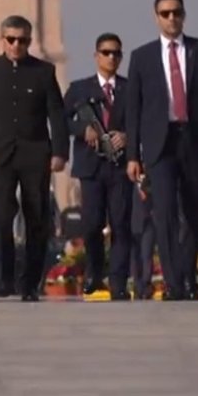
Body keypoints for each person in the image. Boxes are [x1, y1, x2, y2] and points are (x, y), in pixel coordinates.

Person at [124, 0, 198, 301]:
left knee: (193, 211)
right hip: (160, 143)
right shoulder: (142, 57)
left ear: (184, 15)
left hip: (195, 140)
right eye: (165, 13)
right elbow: (133, 109)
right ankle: (173, 283)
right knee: (165, 214)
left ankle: (188, 276)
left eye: (176, 13)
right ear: (156, 16)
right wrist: (133, 155)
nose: (171, 18)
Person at [0, 15, 68, 302]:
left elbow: (56, 115)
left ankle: (30, 283)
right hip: (0, 154)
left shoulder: (44, 71)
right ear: (2, 40)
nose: (16, 45)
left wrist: (60, 152)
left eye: (22, 40)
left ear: (29, 41)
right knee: (1, 217)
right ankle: (4, 280)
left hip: (36, 153)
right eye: (11, 39)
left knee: (37, 218)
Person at [66, 33, 133, 300]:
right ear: (96, 56)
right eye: (106, 52)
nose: (111, 57)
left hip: (120, 166)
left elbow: (144, 121)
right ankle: (94, 272)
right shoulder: (79, 89)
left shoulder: (131, 88)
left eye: (116, 53)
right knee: (92, 225)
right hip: (90, 167)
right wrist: (83, 130)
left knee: (121, 225)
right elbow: (61, 119)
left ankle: (118, 282)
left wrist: (127, 136)